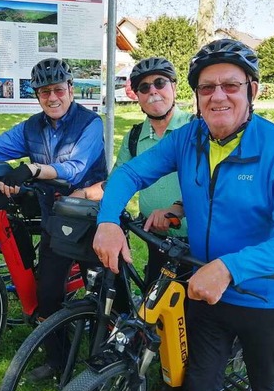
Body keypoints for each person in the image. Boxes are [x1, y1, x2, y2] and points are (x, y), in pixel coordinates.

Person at [92, 39, 274, 391]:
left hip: (265, 297)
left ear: (253, 90)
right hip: (203, 291)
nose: (218, 96)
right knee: (196, 390)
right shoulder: (188, 138)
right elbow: (128, 174)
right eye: (207, 88)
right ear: (196, 96)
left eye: (231, 85)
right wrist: (108, 220)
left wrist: (230, 268)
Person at [0, 57, 107, 380]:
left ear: (71, 89)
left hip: (92, 217)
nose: (52, 97)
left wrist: (34, 169)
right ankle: (58, 360)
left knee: (104, 290)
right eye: (43, 92)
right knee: (48, 291)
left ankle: (109, 356)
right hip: (55, 217)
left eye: (57, 89)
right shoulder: (32, 127)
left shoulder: (90, 124)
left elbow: (75, 170)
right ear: (37, 96)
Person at [73, 57, 190, 287]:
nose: (153, 91)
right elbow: (118, 180)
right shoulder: (135, 136)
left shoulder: (194, 129)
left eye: (160, 83)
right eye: (144, 88)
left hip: (194, 244)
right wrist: (85, 194)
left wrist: (176, 210)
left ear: (173, 87)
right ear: (137, 97)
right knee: (152, 308)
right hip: (154, 238)